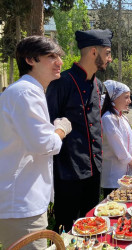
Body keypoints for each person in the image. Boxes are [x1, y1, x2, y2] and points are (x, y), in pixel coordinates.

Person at [0, 36, 72, 249]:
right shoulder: (26, 91)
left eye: (59, 56)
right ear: (31, 59)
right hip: (22, 205)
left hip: (24, 201)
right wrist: (61, 129)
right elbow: (43, 145)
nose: (59, 62)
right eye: (51, 56)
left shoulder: (27, 90)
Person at [46, 29, 113, 232]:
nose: (110, 59)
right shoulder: (62, 83)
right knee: (66, 230)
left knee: (93, 226)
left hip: (94, 169)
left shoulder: (100, 86)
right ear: (94, 52)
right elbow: (49, 125)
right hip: (68, 173)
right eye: (107, 53)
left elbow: (101, 116)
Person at [101, 80, 132, 198]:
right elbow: (119, 149)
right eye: (126, 97)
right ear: (114, 98)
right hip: (114, 177)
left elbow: (130, 144)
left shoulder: (122, 117)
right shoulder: (108, 118)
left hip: (126, 173)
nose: (129, 101)